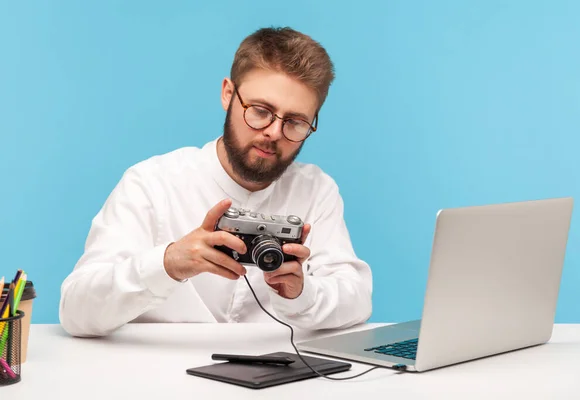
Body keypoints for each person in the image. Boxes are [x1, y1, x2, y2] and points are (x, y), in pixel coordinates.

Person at [59, 26, 373, 337]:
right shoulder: (151, 183)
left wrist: (301, 294)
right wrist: (168, 264)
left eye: (295, 122)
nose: (274, 133)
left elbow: (357, 300)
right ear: (228, 94)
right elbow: (77, 312)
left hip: (274, 378)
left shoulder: (316, 189)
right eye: (261, 111)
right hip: (162, 377)